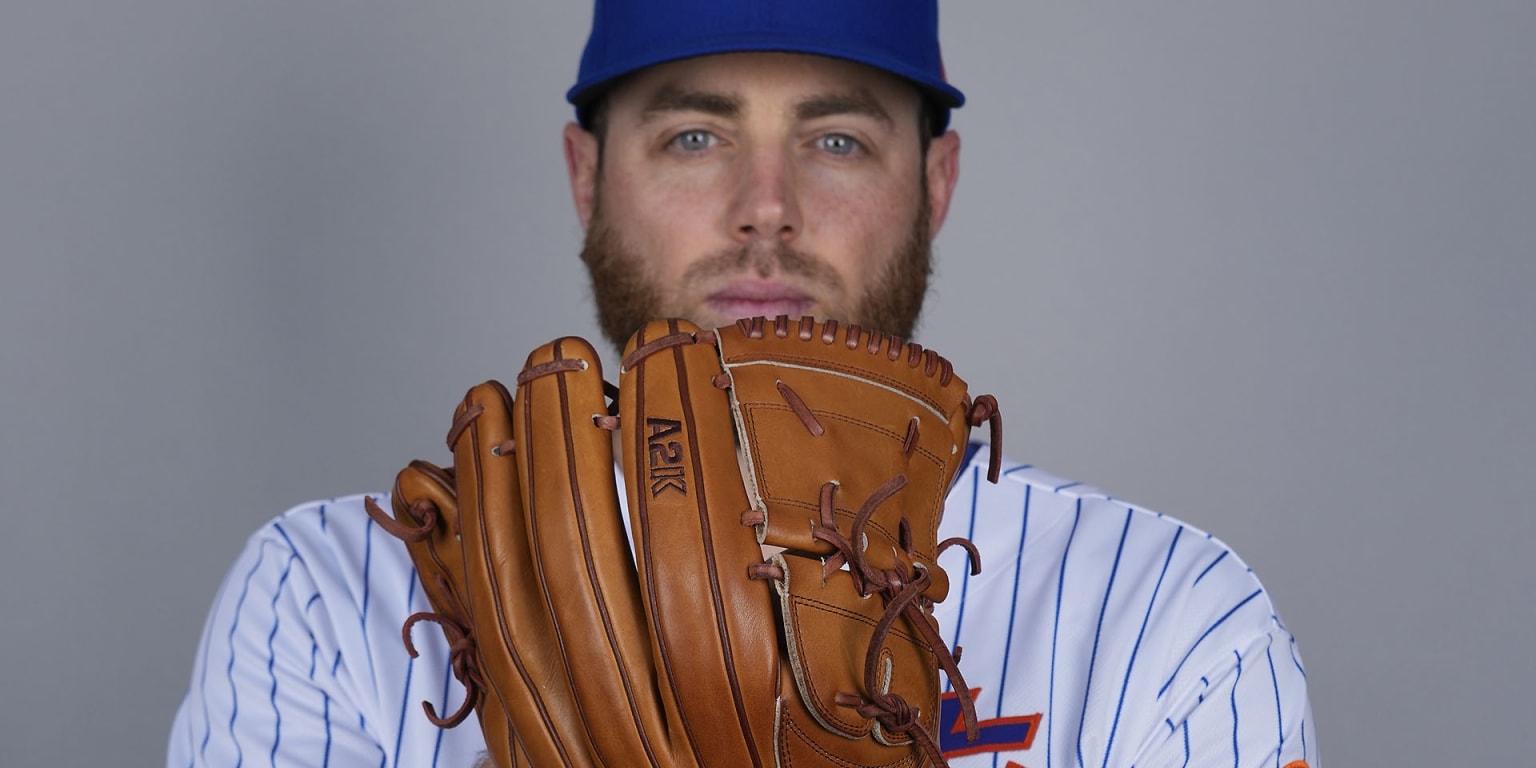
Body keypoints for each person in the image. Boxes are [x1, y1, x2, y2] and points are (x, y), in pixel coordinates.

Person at [167, 1, 1318, 766]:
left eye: (835, 141)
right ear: (587, 176)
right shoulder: (333, 602)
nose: (765, 206)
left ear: (936, 182)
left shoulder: (1169, 617)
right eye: (694, 137)